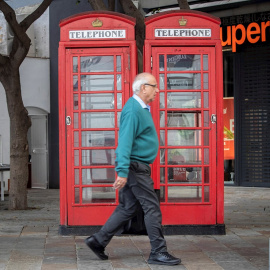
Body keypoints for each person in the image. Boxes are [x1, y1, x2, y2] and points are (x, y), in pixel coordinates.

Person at [85, 72, 181, 266]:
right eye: (154, 86)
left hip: (136, 166)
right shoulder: (133, 109)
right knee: (152, 208)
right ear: (143, 87)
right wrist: (121, 171)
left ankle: (98, 241)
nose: (158, 90)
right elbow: (124, 142)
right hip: (135, 168)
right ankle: (158, 252)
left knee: (128, 207)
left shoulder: (142, 108)